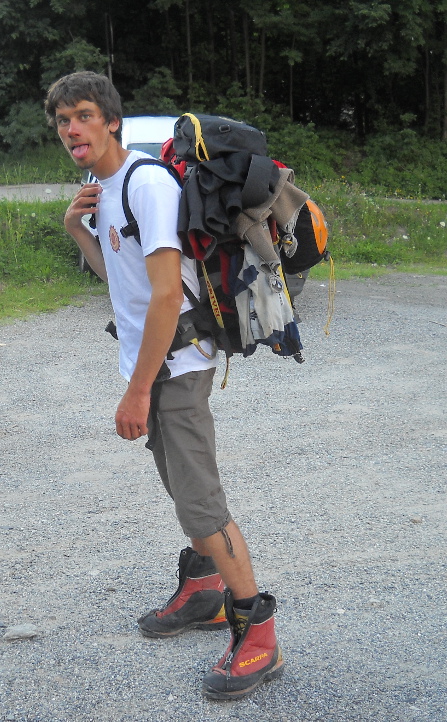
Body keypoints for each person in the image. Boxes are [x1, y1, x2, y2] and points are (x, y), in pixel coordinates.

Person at [44, 71, 284, 699]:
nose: (73, 129)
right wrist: (77, 231)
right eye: (64, 120)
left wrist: (137, 391)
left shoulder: (146, 184)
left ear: (111, 121)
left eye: (85, 116)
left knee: (203, 503)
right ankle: (206, 588)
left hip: (174, 367)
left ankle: (259, 635)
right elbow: (122, 280)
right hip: (155, 368)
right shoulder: (108, 188)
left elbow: (165, 298)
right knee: (183, 493)